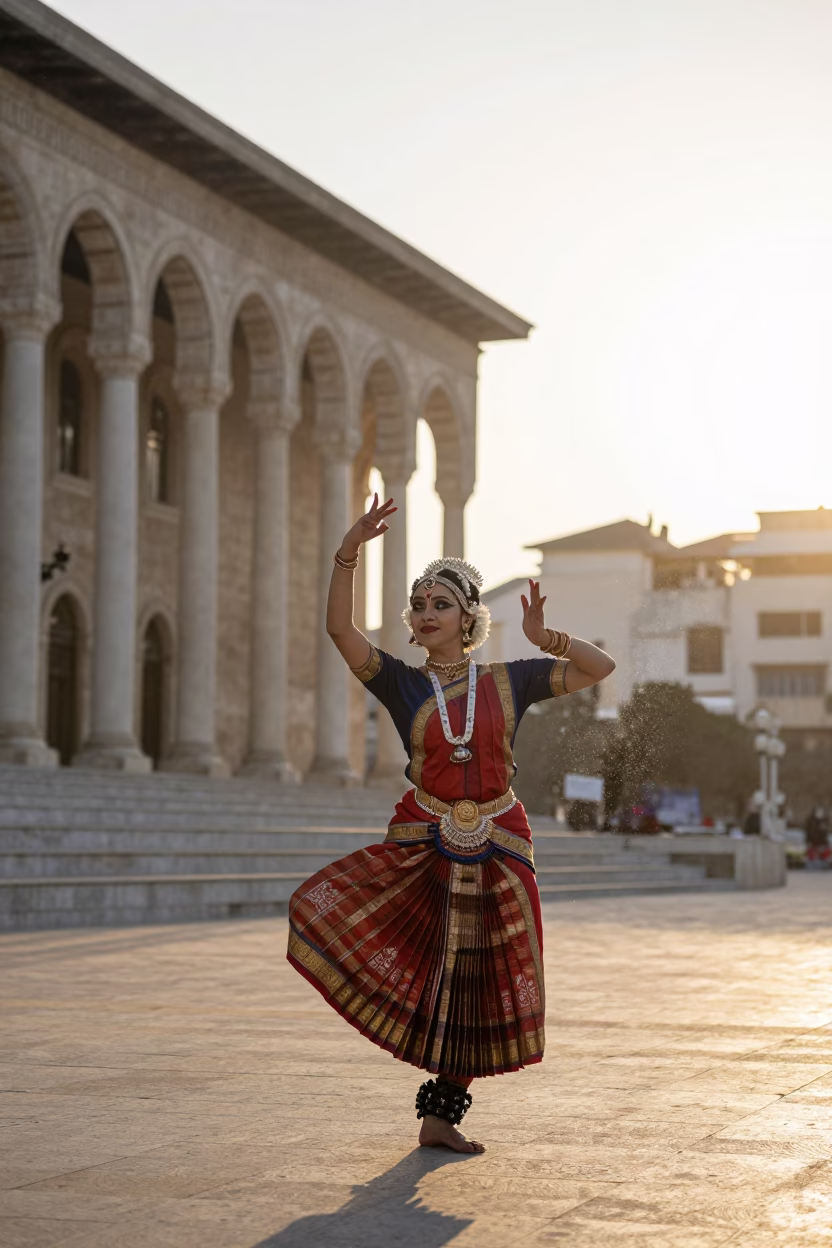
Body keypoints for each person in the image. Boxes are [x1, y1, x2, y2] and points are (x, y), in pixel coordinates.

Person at [286, 495, 616, 1154]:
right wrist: (347, 552)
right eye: (419, 605)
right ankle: (432, 1098)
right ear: (410, 625)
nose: (427, 613)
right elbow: (339, 632)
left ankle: (443, 1114)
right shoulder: (402, 684)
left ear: (469, 616)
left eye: (441, 603)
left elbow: (598, 669)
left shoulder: (510, 680)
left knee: (483, 981)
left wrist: (549, 640)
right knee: (424, 966)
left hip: (499, 843)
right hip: (425, 842)